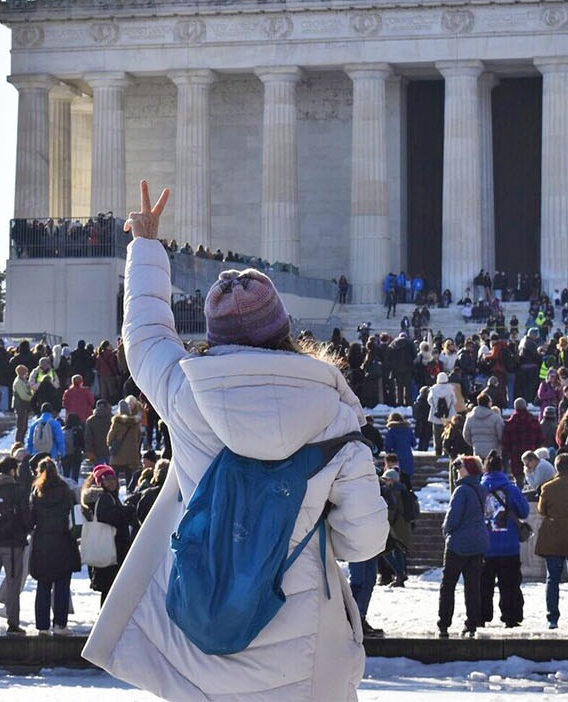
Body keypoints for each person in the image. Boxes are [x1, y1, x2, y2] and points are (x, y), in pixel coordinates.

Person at [83, 181, 388, 699]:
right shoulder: (336, 419)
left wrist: (148, 244)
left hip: (199, 637)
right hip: (301, 644)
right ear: (284, 328)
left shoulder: (184, 392)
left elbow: (144, 337)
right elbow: (365, 541)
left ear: (215, 334)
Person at [0, 455, 33, 635]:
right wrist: (25, 531)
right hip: (13, 544)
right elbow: (26, 517)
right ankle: (13, 622)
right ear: (12, 470)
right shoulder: (18, 490)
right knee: (13, 583)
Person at [536, 451, 568, 631]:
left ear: (556, 467)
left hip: (554, 537)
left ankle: (553, 618)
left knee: (553, 579)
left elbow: (542, 511)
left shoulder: (548, 488)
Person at [479, 449, 531, 629]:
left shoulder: (479, 489)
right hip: (509, 546)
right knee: (510, 585)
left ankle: (480, 616)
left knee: (483, 585)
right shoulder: (511, 489)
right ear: (503, 468)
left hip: (484, 545)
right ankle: (511, 616)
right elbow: (524, 511)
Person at [439, 455, 489, 638]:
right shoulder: (481, 489)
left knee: (448, 585)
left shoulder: (461, 491)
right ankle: (472, 623)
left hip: (458, 544)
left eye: (461, 467)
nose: (458, 470)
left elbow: (453, 518)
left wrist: (446, 530)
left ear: (467, 470)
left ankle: (444, 623)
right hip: (478, 542)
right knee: (473, 586)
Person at [29, 456, 79, 634]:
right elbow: (75, 513)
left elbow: (31, 519)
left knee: (43, 585)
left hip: (43, 543)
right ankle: (60, 624)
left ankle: (42, 626)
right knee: (62, 586)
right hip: (64, 541)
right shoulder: (66, 490)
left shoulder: (37, 492)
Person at [80, 464, 138, 604]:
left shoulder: (106, 497)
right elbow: (111, 517)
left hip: (107, 551)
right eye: (107, 479)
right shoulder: (105, 498)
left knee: (109, 590)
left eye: (114, 478)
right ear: (100, 482)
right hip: (111, 551)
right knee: (110, 591)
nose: (112, 481)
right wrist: (129, 510)